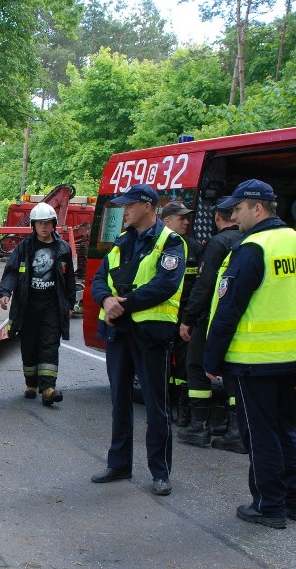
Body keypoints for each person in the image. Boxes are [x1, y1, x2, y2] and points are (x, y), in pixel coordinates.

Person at [204, 179, 296, 529]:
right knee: (284, 428)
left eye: (238, 209)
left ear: (257, 208)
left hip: (256, 360)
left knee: (260, 434)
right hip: (295, 355)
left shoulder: (253, 248)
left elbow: (228, 310)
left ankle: (269, 506)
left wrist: (211, 359)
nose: (234, 217)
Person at [89, 184, 187, 496]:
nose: (124, 211)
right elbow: (97, 280)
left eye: (128, 205)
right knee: (119, 401)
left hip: (150, 336)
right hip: (119, 333)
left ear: (146, 205)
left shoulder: (170, 242)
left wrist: (123, 304)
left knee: (156, 406)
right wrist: (106, 301)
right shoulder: (121, 242)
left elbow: (164, 285)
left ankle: (160, 473)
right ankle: (119, 465)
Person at [178, 199, 246, 453]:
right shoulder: (248, 240)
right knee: (232, 372)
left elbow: (204, 286)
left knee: (196, 366)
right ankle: (236, 431)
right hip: (239, 319)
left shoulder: (217, 243)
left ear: (218, 216)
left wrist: (188, 317)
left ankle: (199, 427)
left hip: (211, 318)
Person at [0, 202, 76, 406]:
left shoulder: (62, 249)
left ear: (54, 225)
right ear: (33, 225)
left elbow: (69, 281)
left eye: (47, 223)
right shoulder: (24, 248)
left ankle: (48, 388)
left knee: (50, 345)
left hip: (52, 306)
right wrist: (5, 292)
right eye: (39, 223)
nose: (43, 227)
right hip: (28, 306)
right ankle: (31, 384)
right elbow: (11, 271)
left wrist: (70, 304)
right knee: (29, 346)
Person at [159, 201, 203, 427]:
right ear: (167, 221)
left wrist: (190, 316)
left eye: (188, 218)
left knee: (185, 364)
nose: (186, 222)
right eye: (181, 218)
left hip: (185, 315)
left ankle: (183, 409)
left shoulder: (194, 246)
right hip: (163, 315)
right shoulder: (158, 245)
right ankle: (164, 405)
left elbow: (199, 284)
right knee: (162, 362)